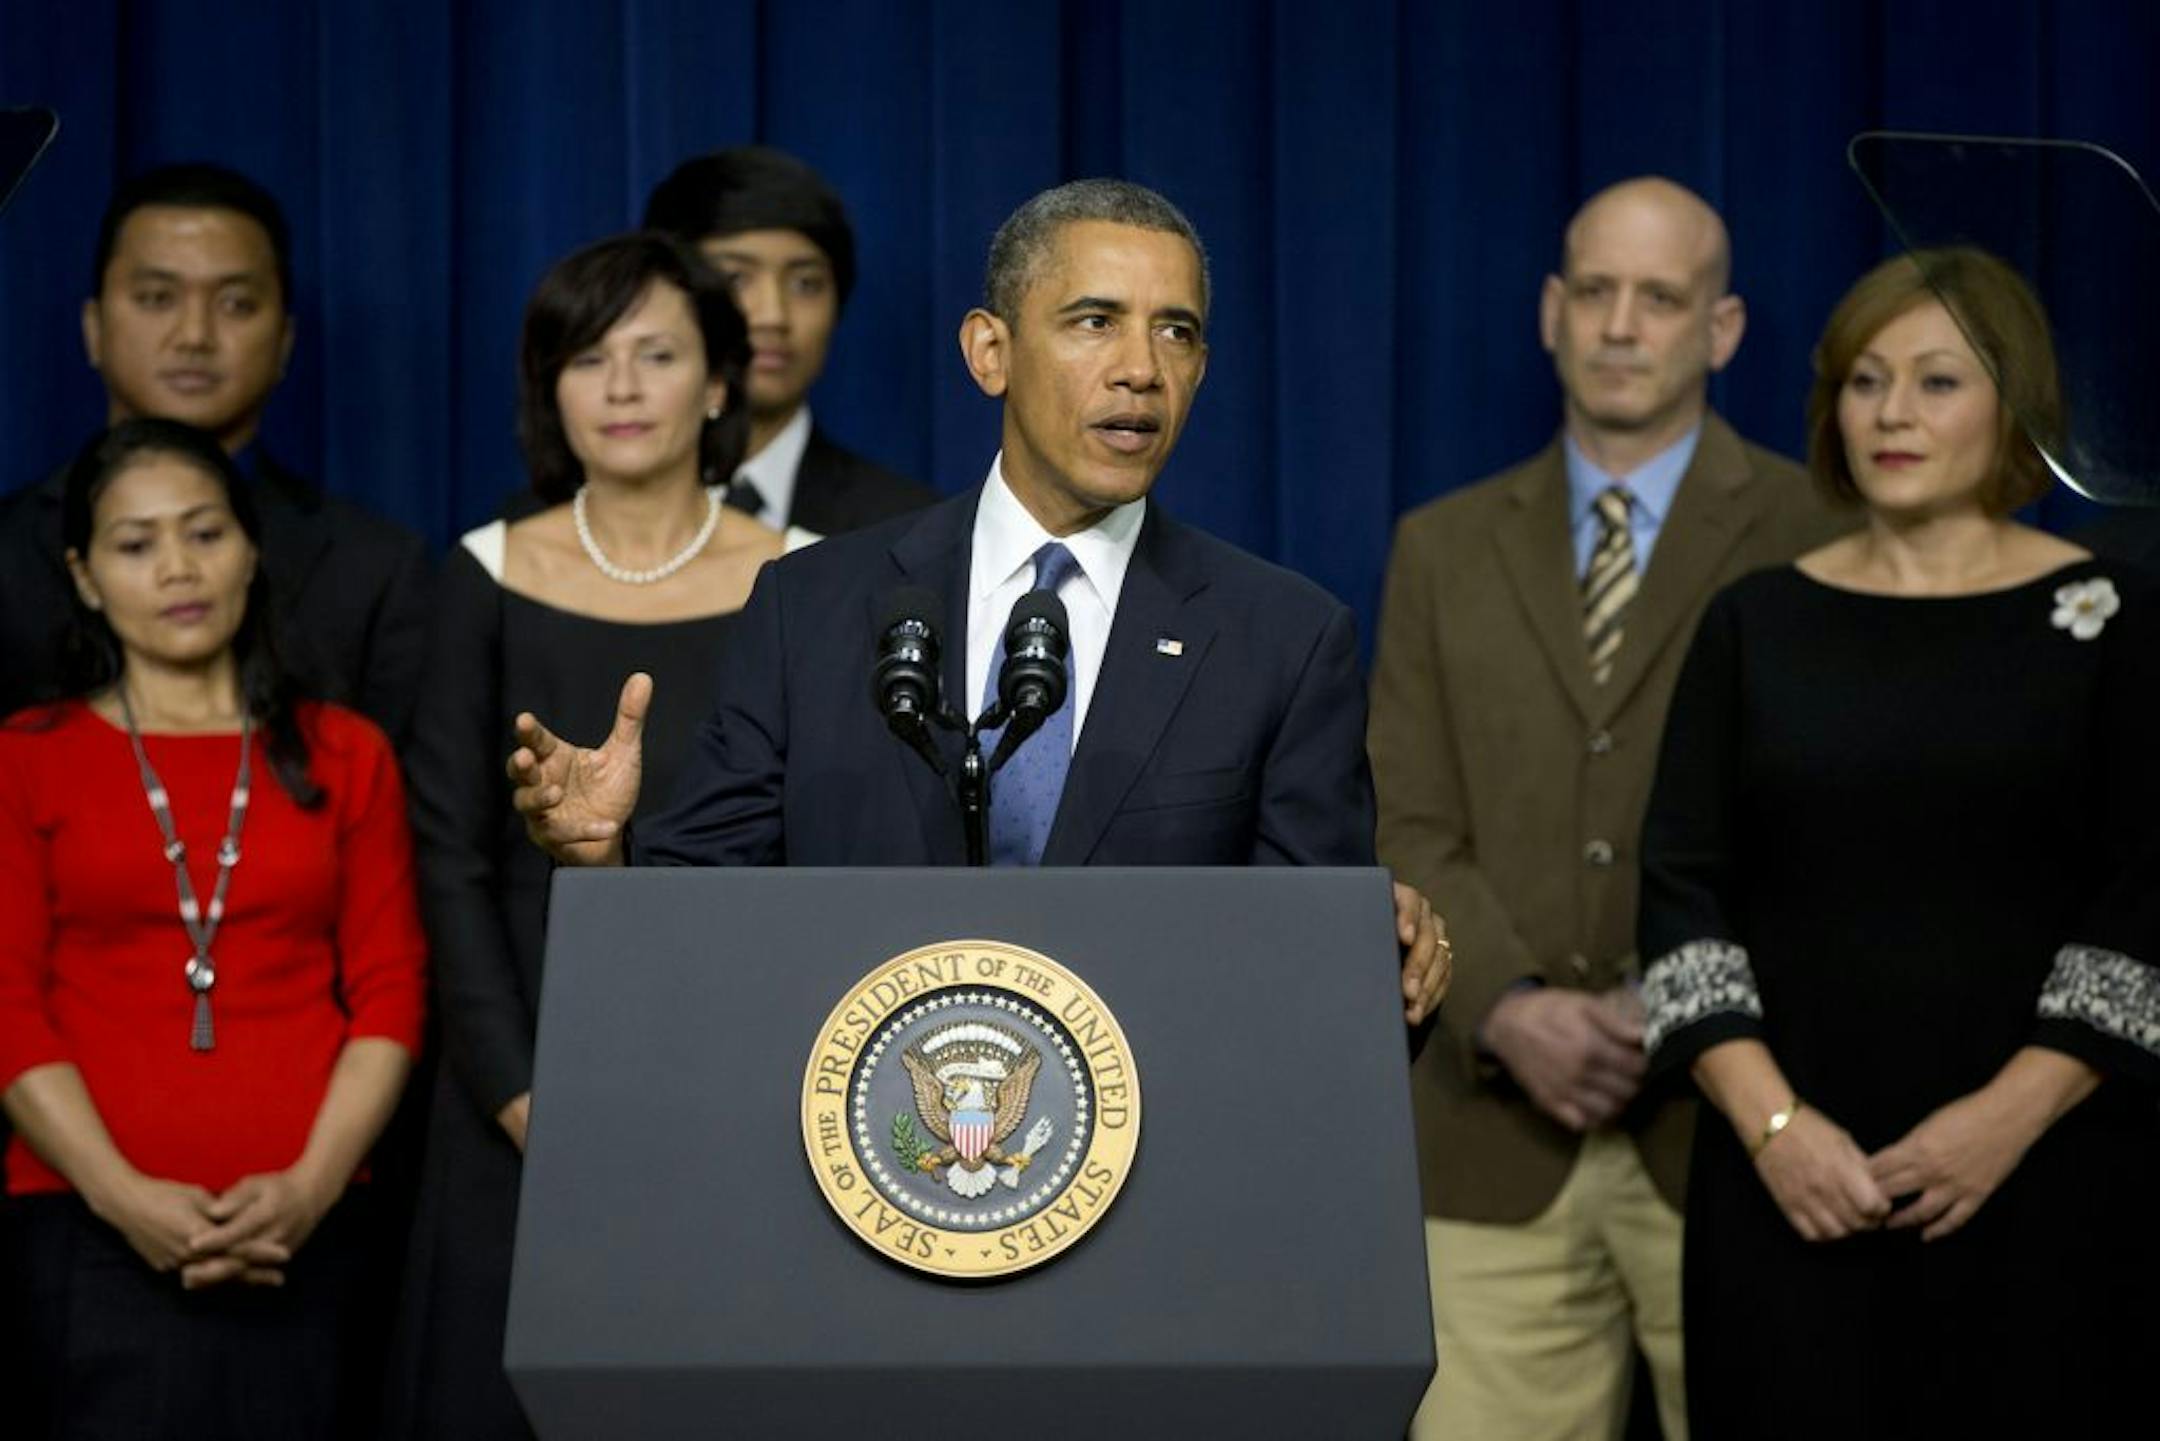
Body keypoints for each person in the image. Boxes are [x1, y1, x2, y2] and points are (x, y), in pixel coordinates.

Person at [507, 179, 1448, 1018]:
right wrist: (605, 866)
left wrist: (1379, 970)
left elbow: (1311, 995)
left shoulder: (1282, 638)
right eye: (1094, 321)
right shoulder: (814, 606)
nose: (1141, 369)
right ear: (989, 351)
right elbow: (700, 925)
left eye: (1178, 331)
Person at [1637, 246, 2160, 1438]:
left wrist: (2004, 1120)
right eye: (1865, 382)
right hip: (1789, 1190)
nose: (1892, 414)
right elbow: (1680, 892)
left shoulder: (2120, 619)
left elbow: (2150, 895)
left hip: (2052, 1182)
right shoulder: (1756, 622)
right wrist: (1776, 1131)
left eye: (1937, 381)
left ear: (2014, 403)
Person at [1368, 177, 1844, 1441]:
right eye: (1596, 291)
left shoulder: (1821, 527)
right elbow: (1403, 814)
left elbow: (1838, 830)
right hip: (1488, 1137)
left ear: (1724, 329)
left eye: (1662, 297)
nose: (1622, 324)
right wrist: (1512, 1007)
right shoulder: (1442, 543)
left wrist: (1667, 1003)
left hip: (1736, 1134)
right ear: (1549, 311)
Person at [385, 231, 794, 1441]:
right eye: (585, 357)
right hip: (511, 1098)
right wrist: (523, 1095)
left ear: (719, 383)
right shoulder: (480, 572)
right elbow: (448, 861)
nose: (618, 387)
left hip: (743, 1097)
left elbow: (817, 859)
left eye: (656, 354)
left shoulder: (808, 580)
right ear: (547, 386)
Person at [0, 418, 426, 1439]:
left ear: (251, 548)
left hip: (310, 1232)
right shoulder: (28, 754)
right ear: (86, 575)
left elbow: (392, 990)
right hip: (85, 1228)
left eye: (204, 532)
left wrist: (308, 1190)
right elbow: (9, 1002)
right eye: (135, 543)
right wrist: (126, 1198)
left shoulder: (346, 750)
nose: (177, 568)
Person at [0, 163, 432, 743]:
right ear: (94, 327)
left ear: (284, 341)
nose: (194, 336)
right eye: (156, 298)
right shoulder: (7, 547)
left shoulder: (377, 570)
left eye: (235, 304)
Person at [642, 145, 937, 532]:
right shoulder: (555, 530)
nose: (773, 317)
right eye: (735, 278)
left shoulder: (909, 529)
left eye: (806, 284)